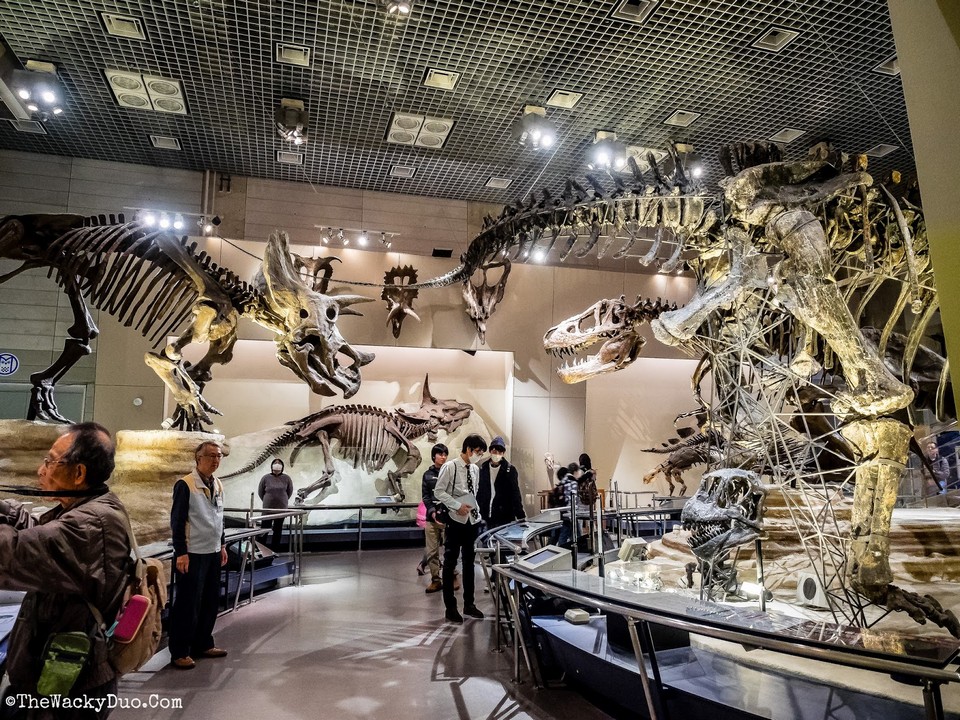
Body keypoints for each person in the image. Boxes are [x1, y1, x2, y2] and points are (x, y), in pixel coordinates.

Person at [0, 423, 132, 717]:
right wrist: (7, 511)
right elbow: (43, 534)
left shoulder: (89, 524)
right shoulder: (92, 505)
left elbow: (12, 555)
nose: (41, 470)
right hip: (61, 673)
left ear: (79, 473)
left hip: (67, 687)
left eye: (50, 461)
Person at [168, 441, 228, 670]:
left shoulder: (218, 484)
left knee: (210, 601)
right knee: (187, 602)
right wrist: (181, 552)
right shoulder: (185, 484)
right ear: (198, 458)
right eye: (211, 455)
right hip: (193, 553)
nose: (216, 460)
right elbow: (177, 521)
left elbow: (219, 517)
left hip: (212, 551)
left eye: (219, 456)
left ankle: (203, 643)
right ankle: (180, 651)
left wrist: (222, 545)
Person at [434, 434, 487, 623]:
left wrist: (475, 511)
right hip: (456, 521)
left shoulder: (475, 469)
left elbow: (475, 491)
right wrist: (457, 506)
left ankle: (469, 604)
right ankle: (450, 607)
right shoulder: (451, 467)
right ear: (469, 449)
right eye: (478, 451)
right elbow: (439, 491)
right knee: (450, 563)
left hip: (472, 521)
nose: (479, 455)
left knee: (469, 563)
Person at [477, 436, 525, 529]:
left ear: (503, 453)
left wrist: (520, 515)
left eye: (500, 452)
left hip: (503, 515)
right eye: (495, 451)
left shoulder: (510, 470)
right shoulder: (483, 468)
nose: (497, 454)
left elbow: (515, 493)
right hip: (485, 515)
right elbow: (479, 492)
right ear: (490, 451)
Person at [419, 443, 449, 593]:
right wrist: (432, 511)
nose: (443, 457)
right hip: (431, 519)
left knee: (449, 549)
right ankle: (435, 579)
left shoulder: (450, 472)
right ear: (433, 456)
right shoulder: (427, 475)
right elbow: (426, 496)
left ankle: (451, 576)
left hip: (447, 518)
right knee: (432, 551)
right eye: (440, 454)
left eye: (445, 454)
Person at [258, 457, 293, 550]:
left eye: (279, 463)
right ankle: (261, 550)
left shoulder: (287, 478)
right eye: (275, 463)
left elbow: (289, 492)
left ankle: (275, 550)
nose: (277, 464)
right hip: (268, 510)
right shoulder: (265, 478)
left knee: (278, 530)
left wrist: (282, 501)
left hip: (281, 509)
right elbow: (260, 492)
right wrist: (267, 501)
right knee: (264, 530)